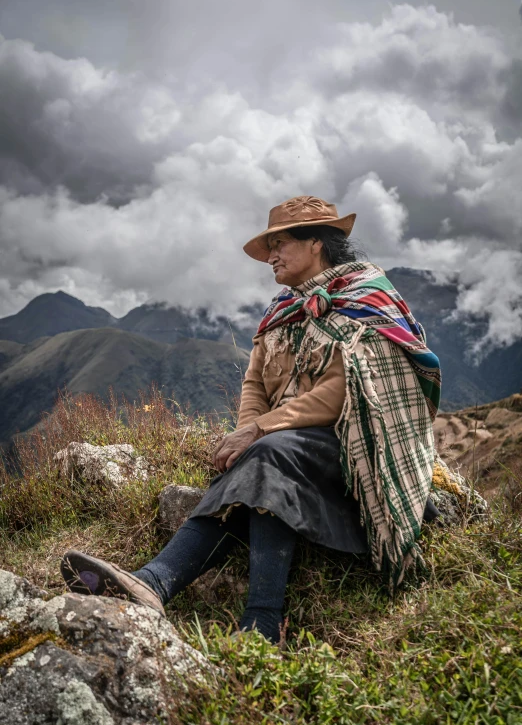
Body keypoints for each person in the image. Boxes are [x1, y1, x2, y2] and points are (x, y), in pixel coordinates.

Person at [61, 195, 441, 644]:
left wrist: (261, 429)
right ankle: (165, 590)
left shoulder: (366, 298)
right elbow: (255, 384)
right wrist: (247, 429)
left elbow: (345, 392)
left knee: (269, 452)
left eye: (279, 245)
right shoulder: (282, 310)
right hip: (288, 449)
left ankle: (243, 613)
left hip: (356, 446)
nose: (271, 258)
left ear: (315, 243)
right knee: (262, 458)